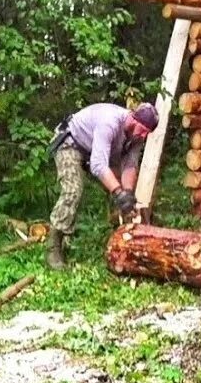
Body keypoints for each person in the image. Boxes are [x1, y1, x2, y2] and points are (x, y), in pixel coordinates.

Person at [45, 101, 158, 269]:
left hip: (92, 150)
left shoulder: (137, 136)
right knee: (73, 189)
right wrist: (118, 192)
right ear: (134, 120)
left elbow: (130, 165)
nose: (143, 136)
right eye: (143, 130)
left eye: (147, 133)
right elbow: (98, 165)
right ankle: (53, 246)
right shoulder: (110, 122)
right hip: (70, 143)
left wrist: (127, 193)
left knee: (122, 194)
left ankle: (123, 239)